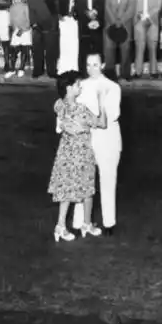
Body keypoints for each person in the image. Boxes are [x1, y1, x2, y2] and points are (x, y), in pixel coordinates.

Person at [48, 71, 107, 242]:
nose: (79, 87)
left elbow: (60, 114)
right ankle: (86, 224)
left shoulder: (59, 104)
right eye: (77, 85)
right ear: (69, 88)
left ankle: (61, 226)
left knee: (66, 189)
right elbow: (102, 123)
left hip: (65, 153)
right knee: (88, 186)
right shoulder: (81, 110)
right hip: (82, 152)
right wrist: (102, 103)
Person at [71, 53, 122, 235]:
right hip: (87, 138)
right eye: (88, 65)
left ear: (102, 65)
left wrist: (97, 105)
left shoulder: (113, 87)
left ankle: (109, 222)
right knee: (83, 181)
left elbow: (111, 116)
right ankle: (79, 223)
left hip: (108, 139)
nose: (92, 68)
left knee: (108, 181)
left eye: (95, 64)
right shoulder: (81, 86)